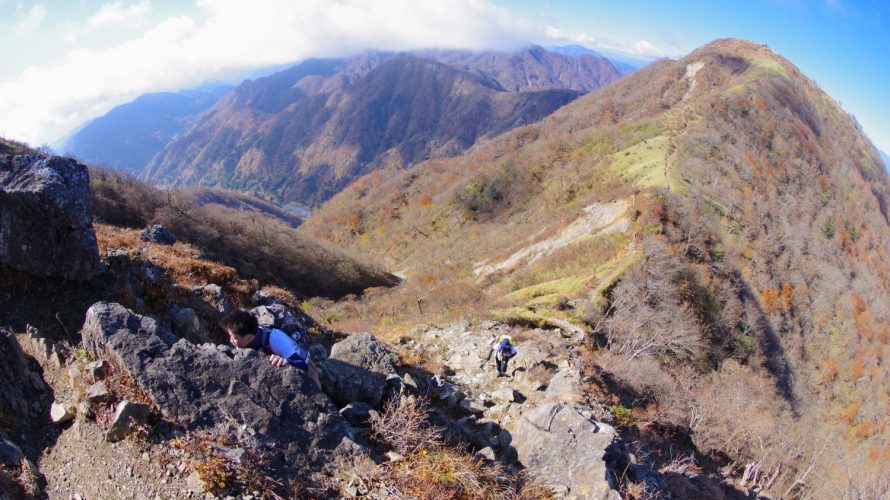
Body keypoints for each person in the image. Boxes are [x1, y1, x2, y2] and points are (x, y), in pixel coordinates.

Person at [222, 309, 321, 386]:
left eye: (234, 338)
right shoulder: (244, 339)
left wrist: (286, 362)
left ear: (249, 337)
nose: (230, 341)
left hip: (305, 365)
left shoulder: (276, 338)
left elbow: (302, 364)